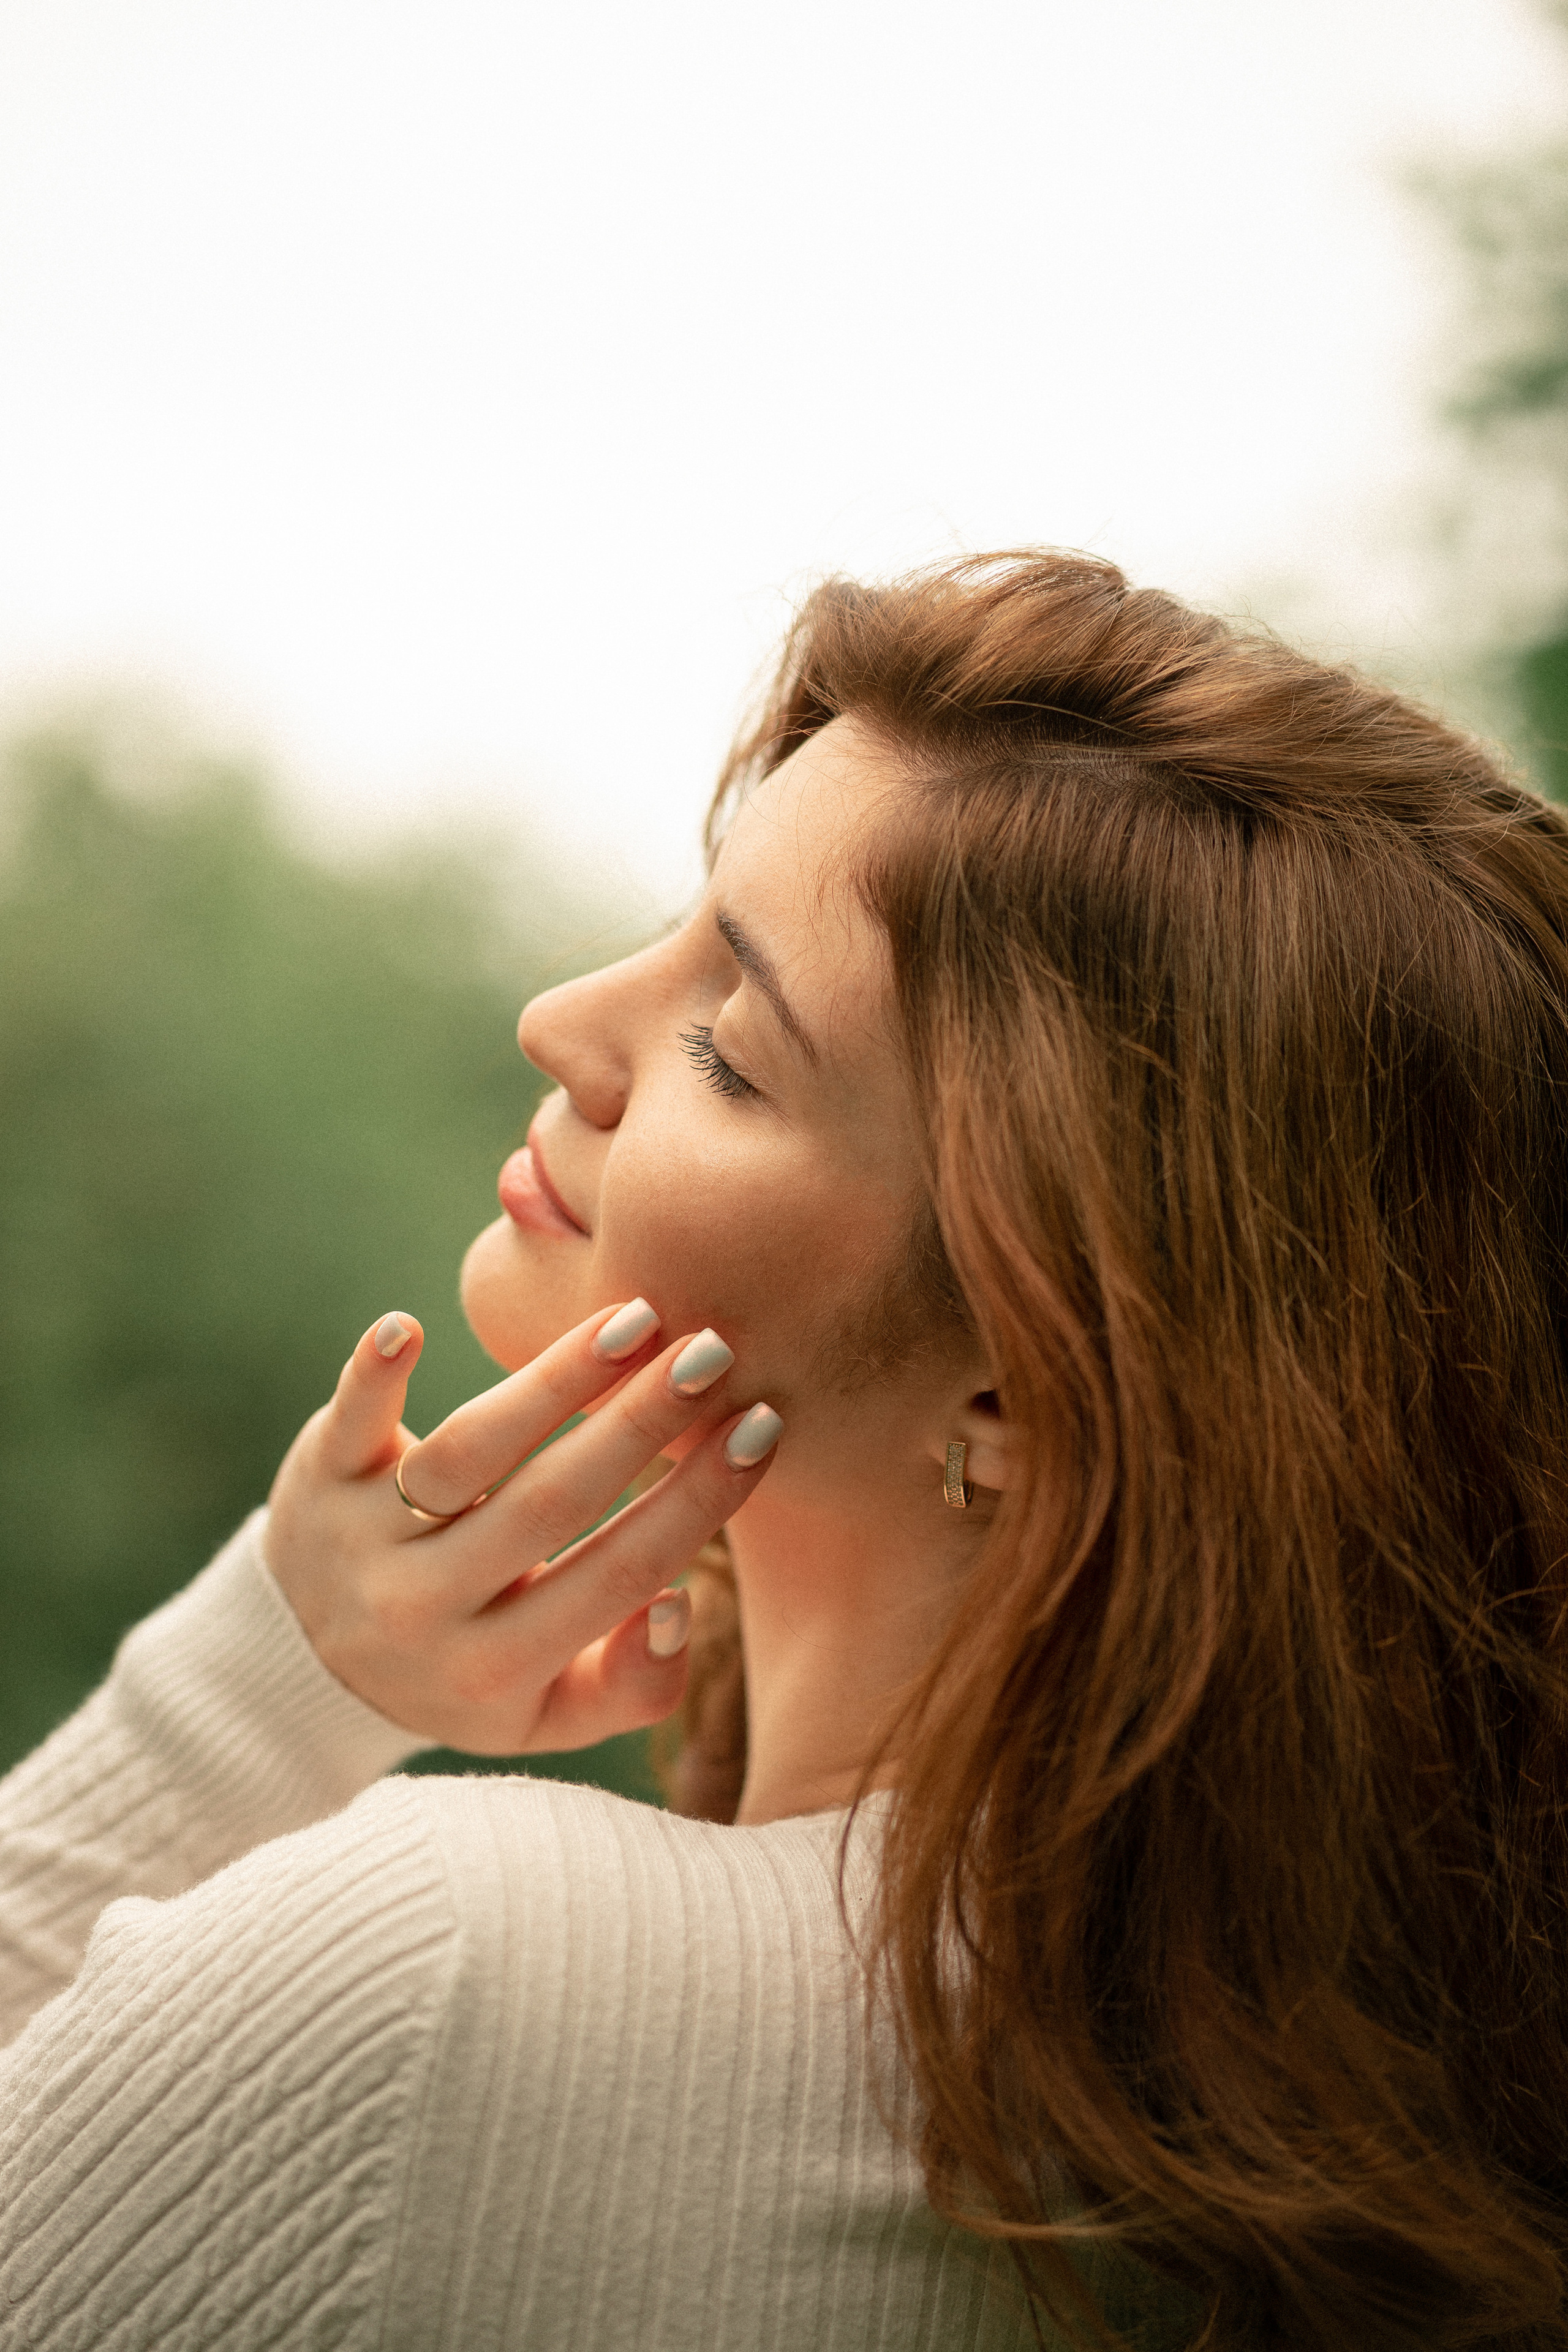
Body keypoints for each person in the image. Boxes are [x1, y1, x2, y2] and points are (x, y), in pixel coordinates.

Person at [1, 551, 1565, 2352]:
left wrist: (246, 1707)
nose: (562, 1025)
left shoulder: (441, 1987)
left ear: (1024, 1396)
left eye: (732, 1052)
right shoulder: (1405, 2144)